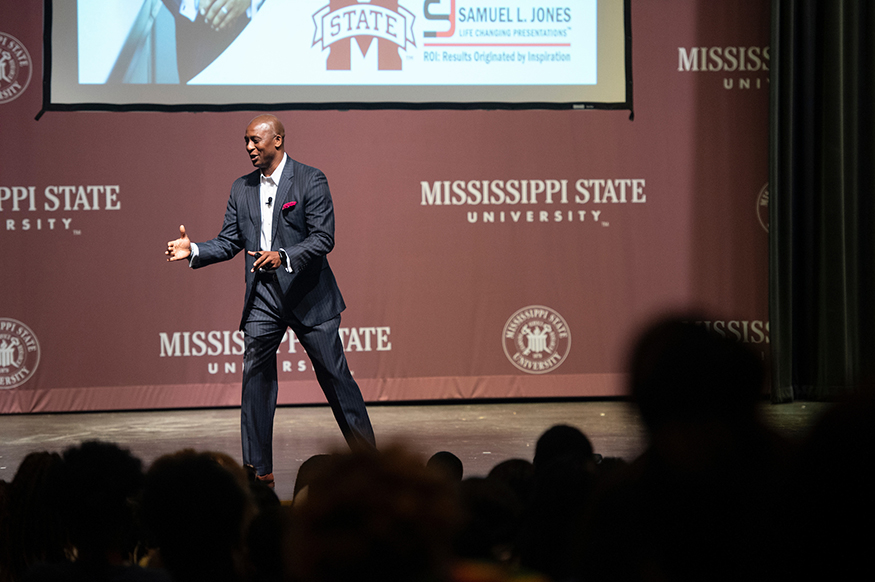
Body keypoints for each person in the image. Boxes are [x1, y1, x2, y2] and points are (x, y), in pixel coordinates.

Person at [166, 114, 375, 487]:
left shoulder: (311, 179)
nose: (249, 147)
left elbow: (323, 238)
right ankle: (258, 473)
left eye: (255, 141)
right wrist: (194, 249)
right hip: (263, 296)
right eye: (245, 141)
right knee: (255, 377)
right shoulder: (241, 188)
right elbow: (231, 242)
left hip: (310, 296)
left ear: (277, 141)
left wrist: (284, 255)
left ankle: (372, 467)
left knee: (334, 376)